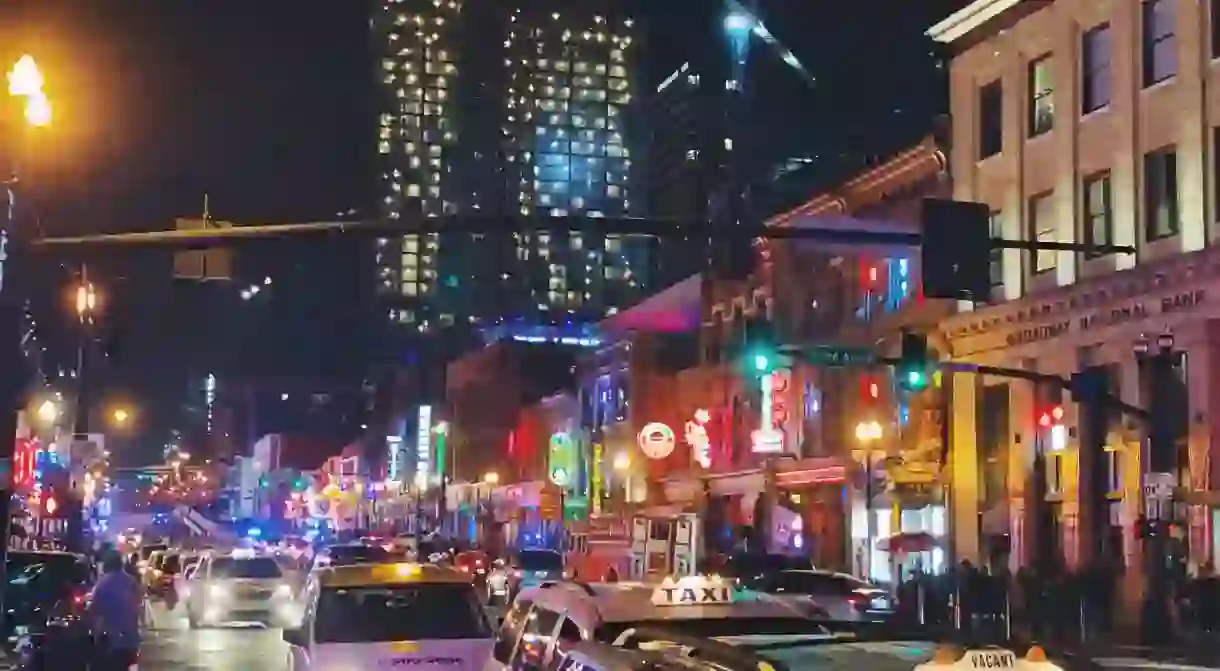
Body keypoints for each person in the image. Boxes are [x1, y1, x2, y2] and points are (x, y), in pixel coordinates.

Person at [87, 552, 142, 671]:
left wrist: (95, 633)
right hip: (130, 640)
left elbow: (95, 610)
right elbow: (137, 606)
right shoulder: (131, 582)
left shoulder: (102, 584)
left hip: (110, 641)